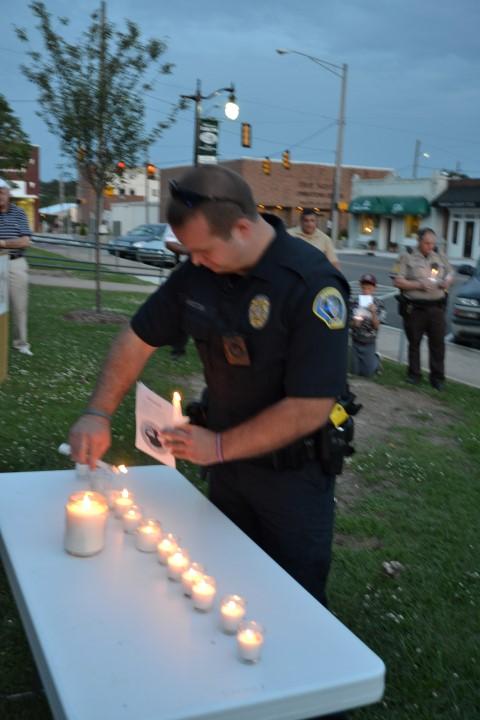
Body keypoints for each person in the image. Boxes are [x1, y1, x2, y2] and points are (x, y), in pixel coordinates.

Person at [69, 165, 349, 610]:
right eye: (189, 252)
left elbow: (310, 406)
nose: (195, 262)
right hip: (226, 470)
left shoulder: (310, 285)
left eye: (202, 251)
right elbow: (136, 337)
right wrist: (98, 412)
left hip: (292, 480)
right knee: (223, 582)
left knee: (294, 603)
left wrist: (217, 445)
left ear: (241, 228)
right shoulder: (199, 271)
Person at [393, 227, 453, 390]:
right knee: (414, 342)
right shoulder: (406, 256)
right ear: (419, 241)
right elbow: (398, 281)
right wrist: (419, 285)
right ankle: (414, 375)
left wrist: (447, 280)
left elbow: (450, 272)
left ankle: (438, 378)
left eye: (432, 243)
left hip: (436, 307)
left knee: (438, 344)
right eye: (427, 243)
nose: (430, 246)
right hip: (416, 308)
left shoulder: (439, 255)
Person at [0, 178, 33, 356]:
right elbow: (19, 241)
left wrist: (3, 242)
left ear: (8, 194)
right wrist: (13, 243)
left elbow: (25, 241)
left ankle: (21, 344)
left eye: (2, 192)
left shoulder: (19, 213)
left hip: (16, 263)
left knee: (19, 305)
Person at [350, 273, 386, 377]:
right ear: (361, 287)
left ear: (374, 288)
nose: (366, 291)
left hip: (369, 341)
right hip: (356, 340)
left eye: (369, 288)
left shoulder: (379, 304)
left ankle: (376, 359)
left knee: (367, 374)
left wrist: (373, 312)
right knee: (355, 372)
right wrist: (355, 322)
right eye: (364, 288)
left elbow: (377, 326)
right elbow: (350, 324)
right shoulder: (355, 302)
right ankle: (363, 361)